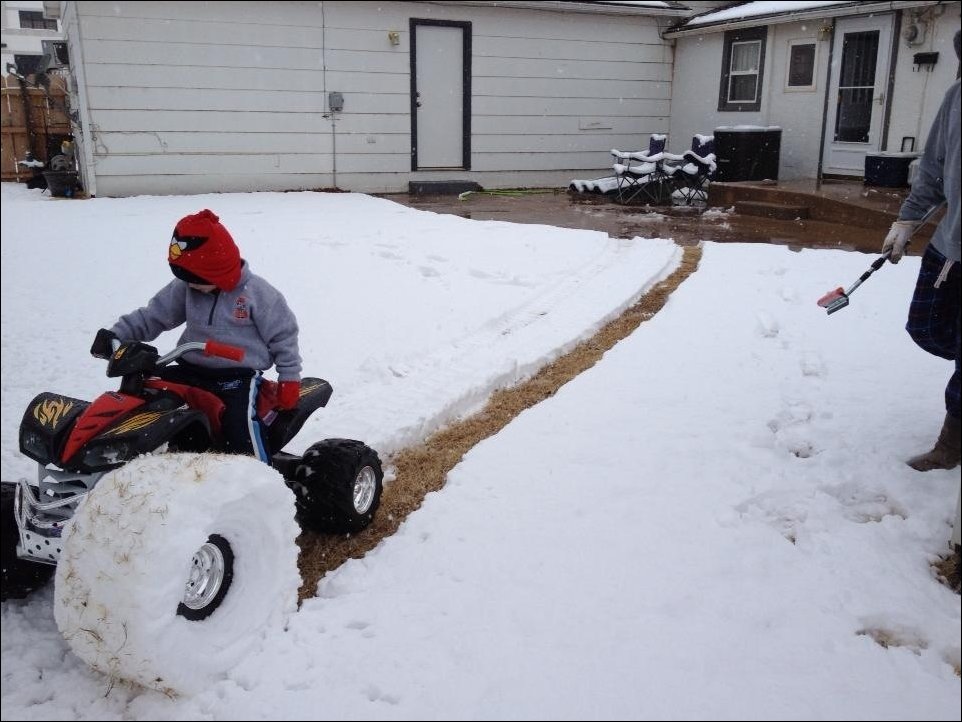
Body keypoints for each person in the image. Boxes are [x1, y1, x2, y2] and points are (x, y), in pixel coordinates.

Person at [90, 209, 302, 462]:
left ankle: (256, 476)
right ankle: (124, 459)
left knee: (238, 425)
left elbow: (283, 336)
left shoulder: (259, 295)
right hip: (189, 367)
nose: (189, 285)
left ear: (217, 271)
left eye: (195, 279)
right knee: (145, 396)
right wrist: (117, 334)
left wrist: (289, 378)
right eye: (184, 278)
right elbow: (154, 315)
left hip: (236, 376)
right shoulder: (187, 288)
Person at [881, 30, 961, 471]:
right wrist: (909, 219)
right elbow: (933, 167)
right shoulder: (956, 99)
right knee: (924, 327)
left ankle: (952, 443)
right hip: (949, 246)